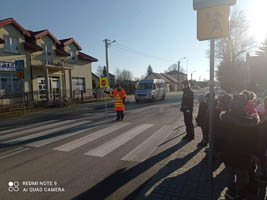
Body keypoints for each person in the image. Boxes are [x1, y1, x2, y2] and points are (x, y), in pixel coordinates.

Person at [219, 94, 259, 199]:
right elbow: (253, 141)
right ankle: (239, 194)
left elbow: (219, 136)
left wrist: (218, 151)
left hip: (228, 153)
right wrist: (254, 154)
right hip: (243, 155)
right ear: (244, 105)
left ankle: (231, 191)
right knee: (242, 176)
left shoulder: (224, 118)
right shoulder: (251, 121)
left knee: (229, 174)